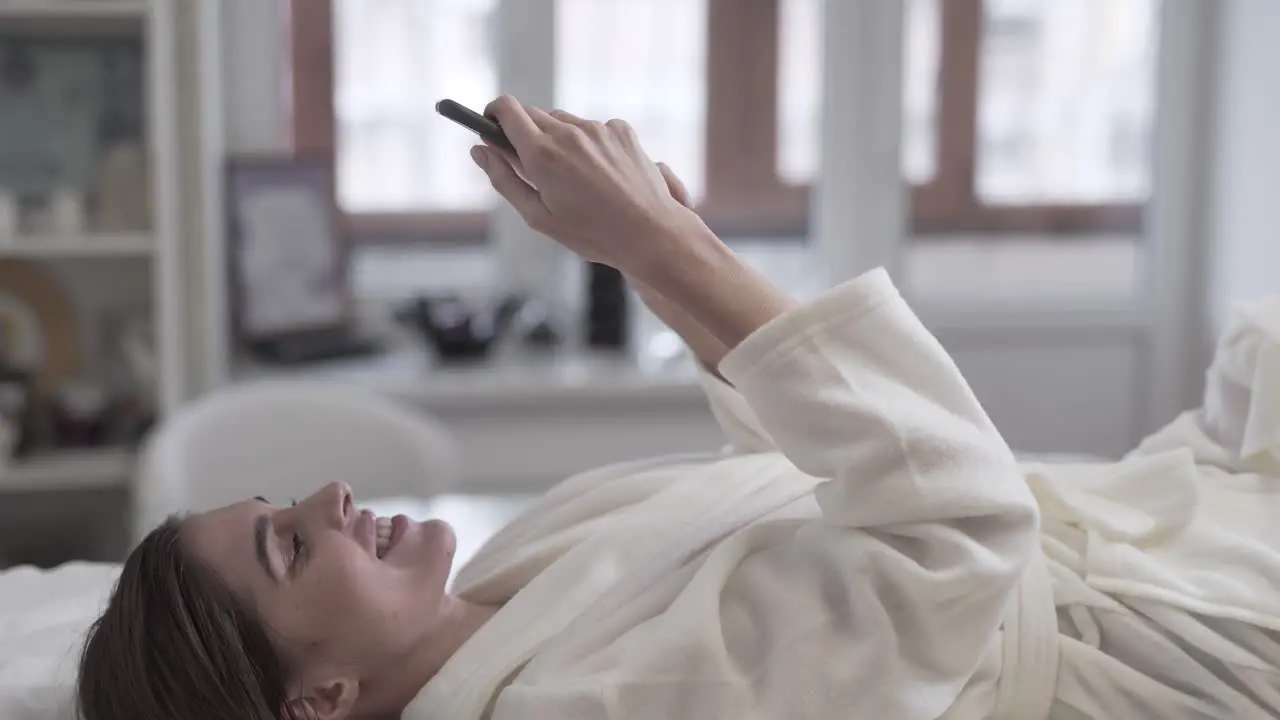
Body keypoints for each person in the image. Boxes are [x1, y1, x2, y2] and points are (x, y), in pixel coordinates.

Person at [76, 97, 1279, 720]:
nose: (330, 497)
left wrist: (656, 252)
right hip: (1169, 651)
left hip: (1118, 541)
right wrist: (662, 244)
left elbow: (792, 463)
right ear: (320, 701)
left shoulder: (499, 591)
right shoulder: (576, 706)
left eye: (284, 505)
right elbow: (951, 538)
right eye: (290, 545)